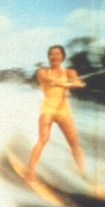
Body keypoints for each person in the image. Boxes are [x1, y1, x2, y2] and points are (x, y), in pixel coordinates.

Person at [25, 45, 87, 182]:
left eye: (58, 54)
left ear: (63, 57)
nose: (55, 57)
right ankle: (30, 173)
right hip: (48, 109)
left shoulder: (69, 72)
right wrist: (64, 83)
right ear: (48, 57)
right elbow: (48, 80)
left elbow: (78, 81)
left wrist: (77, 83)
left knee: (75, 144)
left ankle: (84, 174)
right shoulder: (43, 72)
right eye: (51, 54)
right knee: (43, 139)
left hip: (64, 110)